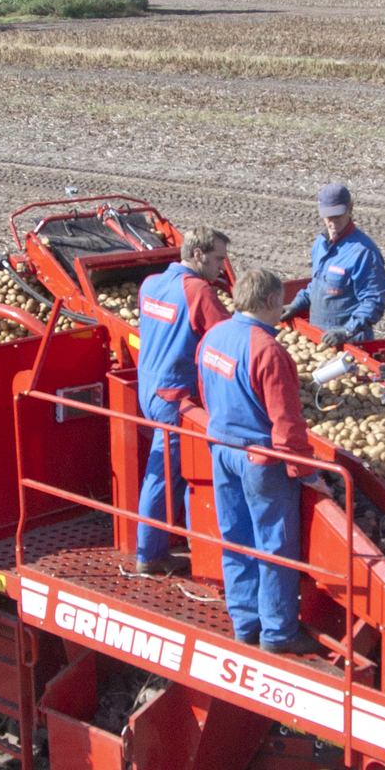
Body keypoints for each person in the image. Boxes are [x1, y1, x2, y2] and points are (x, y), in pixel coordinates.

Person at [195, 268, 314, 654]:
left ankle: (244, 622)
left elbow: (204, 391)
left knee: (236, 537)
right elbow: (287, 424)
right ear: (269, 302)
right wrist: (307, 474)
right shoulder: (268, 350)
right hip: (259, 459)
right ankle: (278, 633)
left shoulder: (213, 337)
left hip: (221, 448)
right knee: (273, 544)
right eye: (280, 302)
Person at [130, 226, 229, 574]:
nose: (222, 266)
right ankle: (151, 553)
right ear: (198, 254)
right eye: (218, 258)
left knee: (166, 469)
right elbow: (228, 340)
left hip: (149, 389)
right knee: (170, 472)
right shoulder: (198, 291)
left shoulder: (150, 284)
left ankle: (166, 544)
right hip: (176, 396)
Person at [303, 183, 385, 345]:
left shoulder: (364, 252)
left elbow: (373, 301)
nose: (333, 222)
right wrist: (296, 304)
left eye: (338, 215)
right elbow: (317, 285)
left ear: (350, 208)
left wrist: (346, 331)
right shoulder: (320, 244)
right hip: (320, 338)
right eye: (329, 216)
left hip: (351, 343)